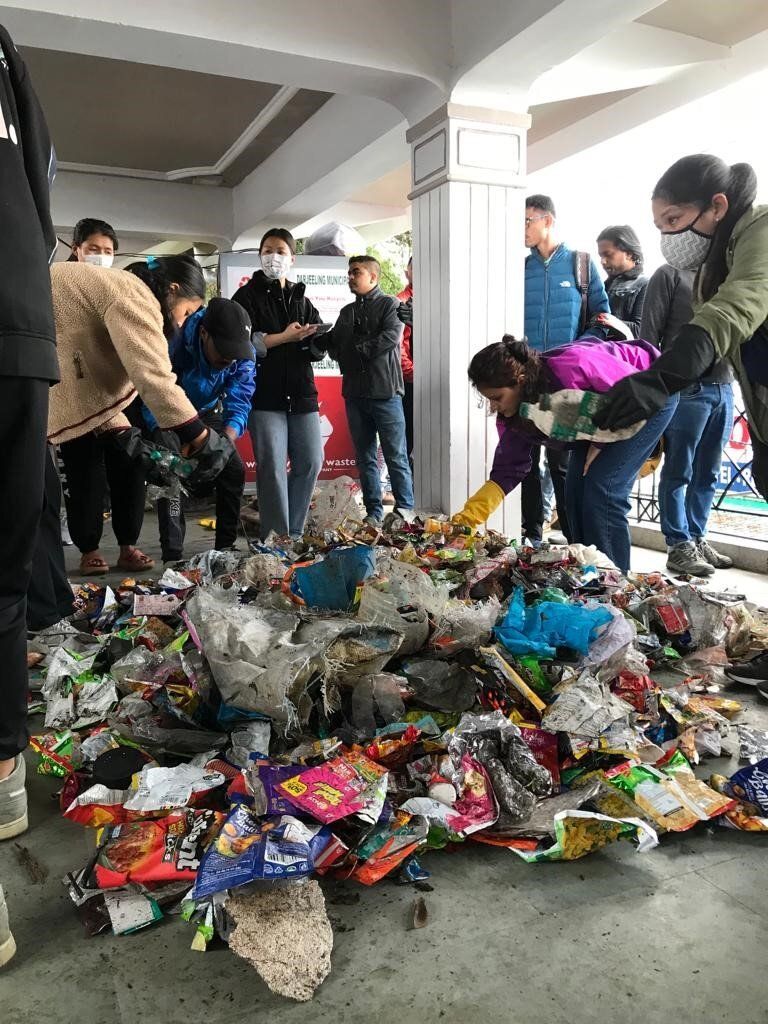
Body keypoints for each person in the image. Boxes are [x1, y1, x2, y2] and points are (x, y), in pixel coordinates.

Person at [594, 155, 768, 510]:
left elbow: (734, 309)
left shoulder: (761, 231)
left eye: (674, 219)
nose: (668, 236)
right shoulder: (713, 266)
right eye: (660, 226)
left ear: (717, 206)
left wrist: (659, 380)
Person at [452, 336, 678, 572]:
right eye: (489, 400)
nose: (494, 407)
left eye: (497, 398)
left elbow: (627, 391)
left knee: (603, 488)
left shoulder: (571, 368)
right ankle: (589, 574)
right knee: (574, 493)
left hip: (648, 391)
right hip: (595, 420)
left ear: (519, 381)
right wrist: (465, 521)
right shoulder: (515, 418)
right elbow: (507, 470)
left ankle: (616, 583)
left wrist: (600, 444)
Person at [0, 24, 58, 889]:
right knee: (4, 576)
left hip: (20, 339)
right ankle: (5, 767)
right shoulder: (8, 56)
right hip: (19, 333)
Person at [58, 218, 157, 575]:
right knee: (85, 475)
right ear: (76, 250)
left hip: (121, 397)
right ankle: (89, 550)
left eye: (107, 251)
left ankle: (129, 546)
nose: (101, 257)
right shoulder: (61, 288)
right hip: (78, 398)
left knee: (130, 469)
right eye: (93, 250)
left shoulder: (120, 288)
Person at [522, 194, 610, 545]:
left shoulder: (581, 264)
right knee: (526, 460)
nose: (522, 230)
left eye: (527, 221)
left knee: (561, 462)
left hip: (566, 382)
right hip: (526, 379)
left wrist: (576, 351)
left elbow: (602, 317)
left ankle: (574, 540)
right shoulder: (518, 270)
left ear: (548, 220)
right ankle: (531, 537)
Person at [144, 297, 255, 560]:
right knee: (169, 470)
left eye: (234, 353)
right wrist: (162, 430)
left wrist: (224, 445)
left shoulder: (241, 354)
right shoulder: (174, 342)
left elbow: (240, 400)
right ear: (204, 333)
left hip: (206, 411)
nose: (229, 359)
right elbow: (152, 386)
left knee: (233, 468)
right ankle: (173, 555)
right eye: (223, 350)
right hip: (166, 411)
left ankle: (225, 548)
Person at [641, 264, 734, 576]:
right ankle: (677, 544)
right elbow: (649, 336)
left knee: (707, 473)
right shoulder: (668, 275)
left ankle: (696, 536)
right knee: (680, 469)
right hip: (686, 388)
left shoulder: (727, 271)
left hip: (724, 385)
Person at [231, 228, 324, 538]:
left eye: (281, 251)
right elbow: (244, 344)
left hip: (301, 393)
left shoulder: (301, 297)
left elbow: (312, 348)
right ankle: (275, 537)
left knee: (311, 462)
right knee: (271, 468)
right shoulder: (246, 296)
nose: (274, 257)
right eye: (268, 250)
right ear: (260, 255)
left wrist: (320, 340)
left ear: (292, 258)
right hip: (265, 395)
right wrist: (286, 336)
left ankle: (293, 532)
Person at [325, 255, 413, 525]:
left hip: (385, 393)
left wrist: (353, 352)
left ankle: (405, 512)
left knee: (395, 455)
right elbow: (334, 346)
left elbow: (388, 339)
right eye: (349, 273)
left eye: (356, 272)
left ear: (373, 277)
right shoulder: (347, 312)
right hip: (354, 394)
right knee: (364, 458)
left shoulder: (391, 305)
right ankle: (373, 513)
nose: (350, 277)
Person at [596, 225, 648, 337]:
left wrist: (602, 321)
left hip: (622, 351)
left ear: (629, 253)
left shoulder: (645, 284)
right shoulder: (601, 286)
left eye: (608, 254)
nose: (603, 261)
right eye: (600, 256)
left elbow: (640, 330)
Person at [397, 256, 414, 462]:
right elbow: (398, 345)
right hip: (409, 381)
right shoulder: (400, 301)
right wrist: (411, 373)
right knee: (407, 437)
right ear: (407, 272)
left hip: (432, 380)